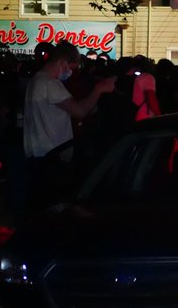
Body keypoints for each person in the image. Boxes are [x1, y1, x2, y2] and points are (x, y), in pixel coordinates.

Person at [23, 42, 115, 201]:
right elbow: (79, 110)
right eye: (71, 68)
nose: (70, 73)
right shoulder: (51, 84)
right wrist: (99, 89)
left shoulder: (36, 80)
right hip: (52, 157)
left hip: (37, 155)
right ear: (62, 62)